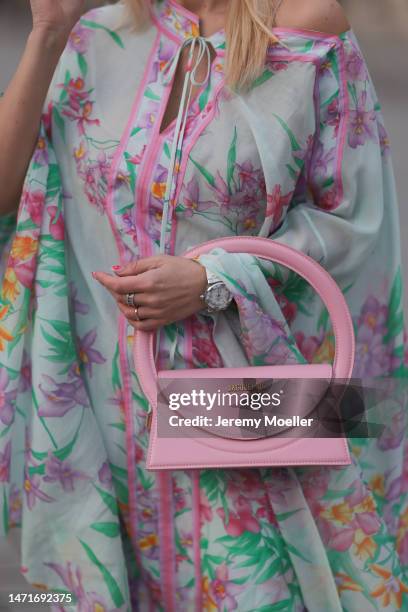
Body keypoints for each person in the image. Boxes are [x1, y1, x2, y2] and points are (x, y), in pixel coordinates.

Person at [0, 0, 407, 610]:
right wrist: (48, 33)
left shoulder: (307, 27)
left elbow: (355, 225)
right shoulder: (99, 34)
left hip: (242, 407)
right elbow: (9, 193)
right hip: (109, 422)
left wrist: (211, 278)